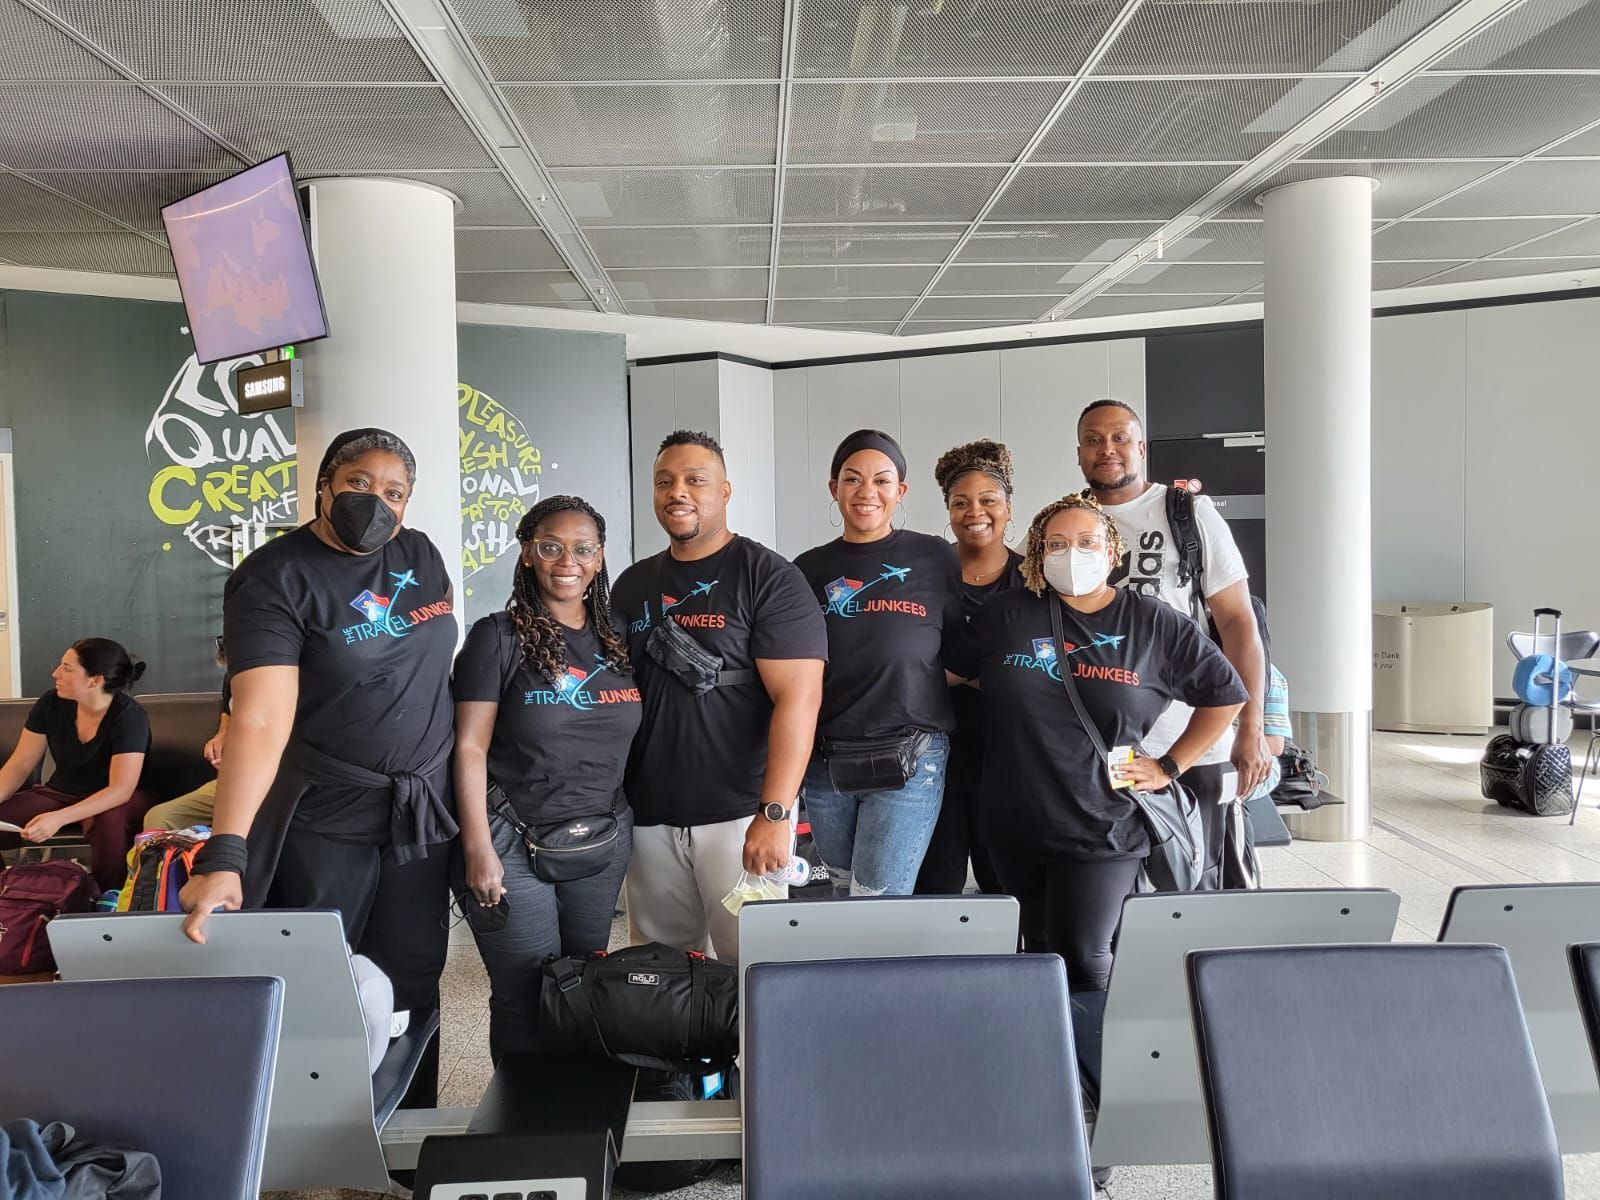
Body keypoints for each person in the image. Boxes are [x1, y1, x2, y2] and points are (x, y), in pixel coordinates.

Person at [179, 428, 459, 1099]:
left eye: (394, 492)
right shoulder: (276, 576)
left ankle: (404, 1129)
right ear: (325, 484)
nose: (376, 503)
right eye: (360, 483)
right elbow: (259, 717)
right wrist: (225, 854)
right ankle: (303, 1125)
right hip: (325, 815)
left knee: (414, 973)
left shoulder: (419, 554)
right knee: (318, 975)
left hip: (417, 813)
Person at [953, 494, 1245, 990]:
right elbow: (956, 673)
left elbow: (1225, 695)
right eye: (1058, 543)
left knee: (1086, 955)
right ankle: (1051, 1055)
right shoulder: (1006, 616)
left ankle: (1100, 1058)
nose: (1073, 553)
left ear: (1113, 552)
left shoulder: (1153, 624)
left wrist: (1170, 766)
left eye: (1087, 542)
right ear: (1040, 555)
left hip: (1104, 822)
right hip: (1014, 820)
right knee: (1037, 947)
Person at [610, 430, 826, 962]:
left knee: (754, 973)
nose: (677, 492)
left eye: (694, 480)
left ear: (724, 491)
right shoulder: (633, 584)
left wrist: (774, 815)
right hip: (651, 814)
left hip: (740, 817)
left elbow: (799, 699)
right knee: (662, 977)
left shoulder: (769, 578)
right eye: (665, 481)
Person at [452, 495, 639, 1059]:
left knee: (582, 986)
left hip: (601, 837)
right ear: (528, 553)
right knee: (523, 992)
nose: (568, 560)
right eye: (551, 547)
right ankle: (519, 1128)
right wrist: (477, 847)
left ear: (601, 558)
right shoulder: (496, 638)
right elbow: (468, 745)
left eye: (583, 549)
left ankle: (572, 1120)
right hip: (510, 840)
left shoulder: (619, 637)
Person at [1077, 399, 1269, 885]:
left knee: (1200, 882)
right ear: (1079, 452)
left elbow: (1239, 624)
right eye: (1094, 440)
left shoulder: (1187, 513)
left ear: (1140, 448)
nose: (1108, 450)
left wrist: (1252, 728)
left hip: (1192, 745)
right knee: (1119, 891)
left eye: (1120, 438)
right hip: (1102, 750)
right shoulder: (1070, 522)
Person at [792, 430, 960, 896]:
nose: (867, 492)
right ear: (834, 488)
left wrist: (907, 678)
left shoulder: (932, 557)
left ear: (900, 491)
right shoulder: (807, 569)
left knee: (878, 896)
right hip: (827, 761)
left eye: (882, 480)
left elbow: (961, 644)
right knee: (842, 888)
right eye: (853, 479)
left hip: (911, 754)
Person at [915, 439, 1021, 896]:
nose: (975, 512)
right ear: (948, 511)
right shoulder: (924, 578)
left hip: (1012, 756)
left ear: (1009, 508)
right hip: (932, 754)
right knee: (935, 885)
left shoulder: (1036, 582)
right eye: (961, 503)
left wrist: (959, 674)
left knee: (1008, 885)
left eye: (988, 500)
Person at [0, 639, 150, 890]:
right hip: (61, 792)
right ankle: (7, 902)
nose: (55, 673)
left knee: (108, 823)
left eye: (67, 668)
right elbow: (20, 764)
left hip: (116, 797)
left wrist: (59, 818)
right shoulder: (51, 703)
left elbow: (120, 789)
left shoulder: (129, 716)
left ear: (95, 680)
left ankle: (106, 901)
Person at [143, 636, 228, 832]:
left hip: (275, 784)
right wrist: (222, 735)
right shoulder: (233, 677)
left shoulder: (292, 681)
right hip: (230, 780)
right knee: (159, 818)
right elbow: (229, 711)